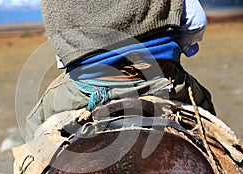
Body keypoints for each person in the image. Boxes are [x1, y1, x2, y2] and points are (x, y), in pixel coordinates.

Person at [25, 0, 216, 136]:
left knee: (34, 127)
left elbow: (62, 48)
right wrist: (180, 49)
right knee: (210, 128)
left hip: (90, 87)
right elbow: (195, 22)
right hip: (161, 78)